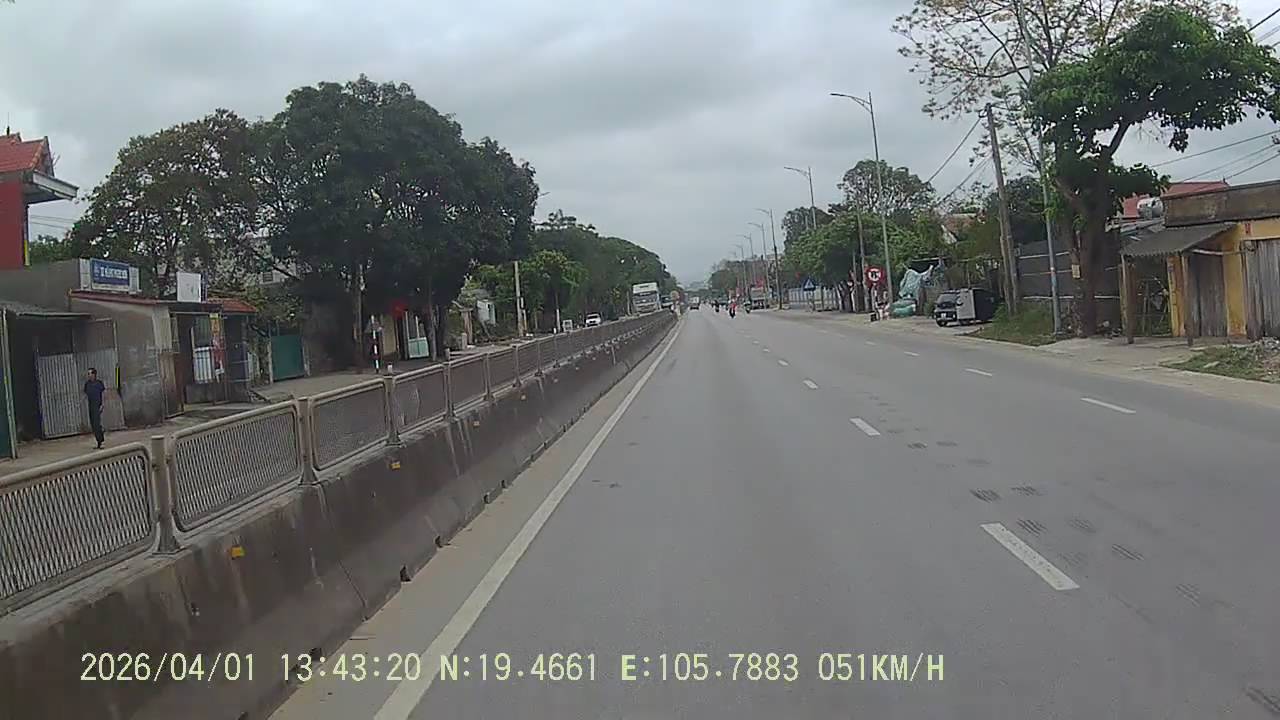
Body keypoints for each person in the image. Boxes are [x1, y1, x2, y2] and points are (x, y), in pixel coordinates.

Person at [84, 367, 106, 449]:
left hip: (97, 405)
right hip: (91, 406)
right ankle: (98, 441)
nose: (89, 375)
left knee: (97, 424)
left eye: (90, 373)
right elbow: (86, 395)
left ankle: (101, 440)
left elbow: (103, 394)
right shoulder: (87, 384)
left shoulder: (99, 383)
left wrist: (102, 404)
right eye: (88, 374)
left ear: (94, 374)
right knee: (93, 425)